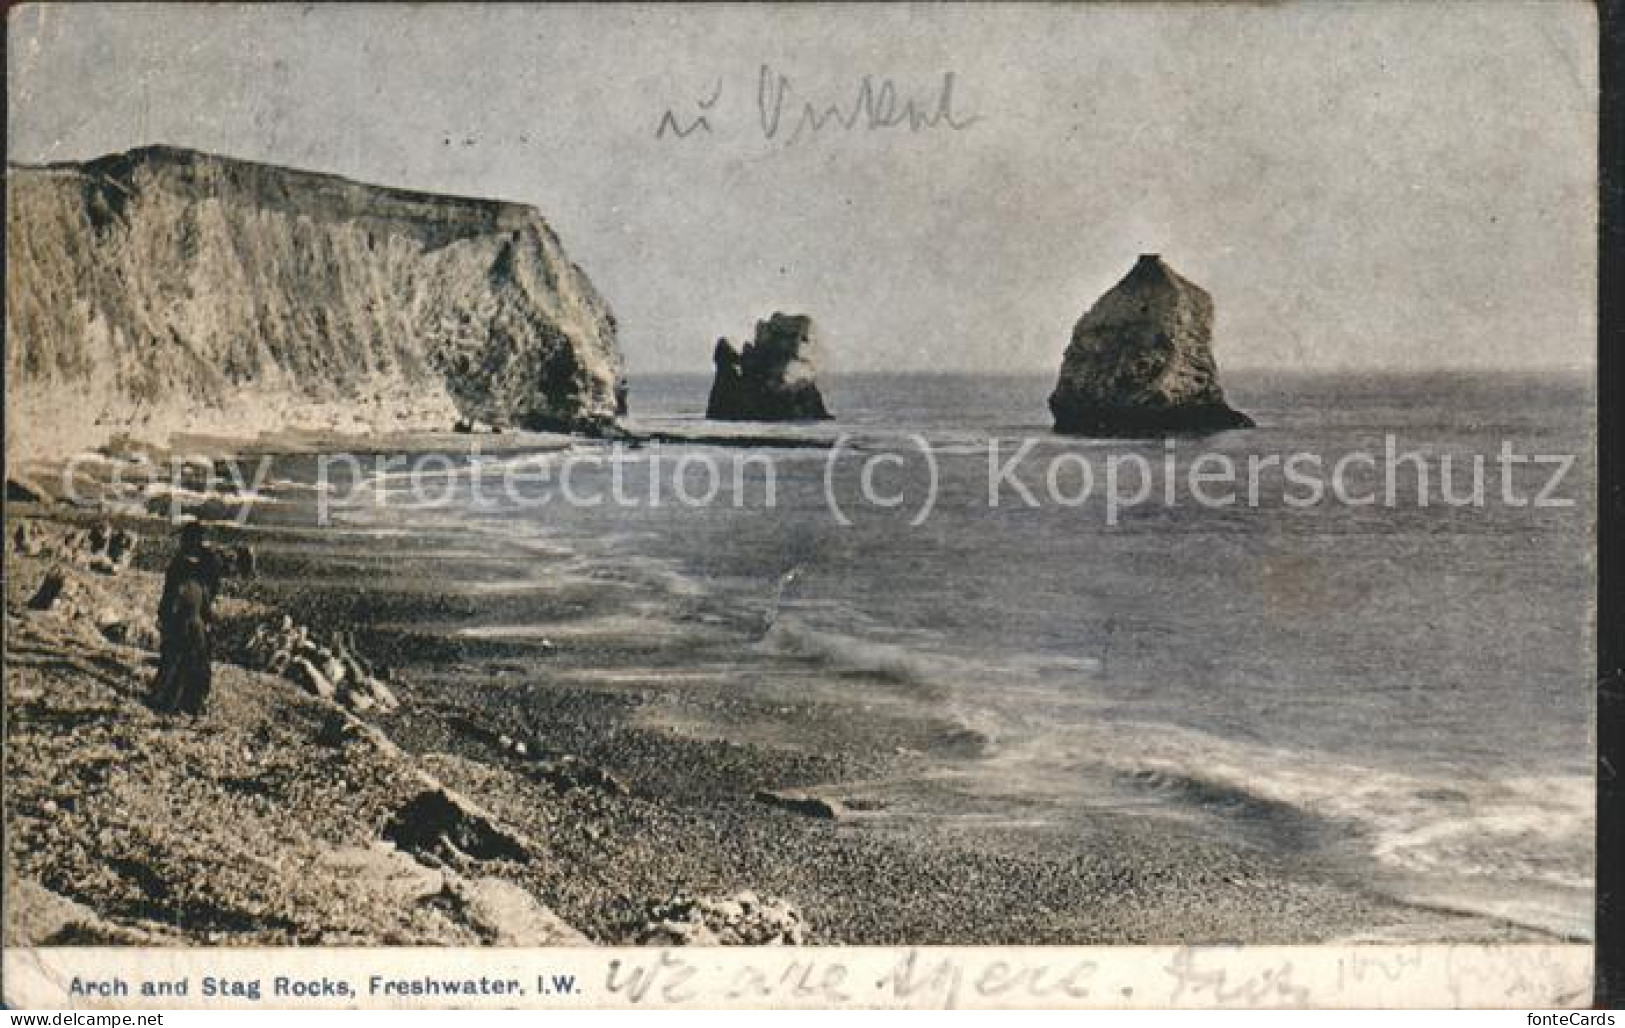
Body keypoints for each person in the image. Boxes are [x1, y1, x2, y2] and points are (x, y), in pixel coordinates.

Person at [151, 522, 225, 715]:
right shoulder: (203, 566)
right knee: (190, 660)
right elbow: (207, 594)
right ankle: (188, 703)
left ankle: (170, 701)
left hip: (185, 619)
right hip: (193, 620)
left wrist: (165, 617)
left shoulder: (181, 566)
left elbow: (172, 595)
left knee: (176, 659)